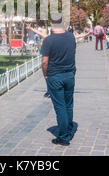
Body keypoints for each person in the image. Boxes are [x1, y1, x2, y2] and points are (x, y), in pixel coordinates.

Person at [41, 15, 90, 146]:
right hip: (69, 75)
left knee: (60, 106)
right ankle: (68, 129)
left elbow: (45, 62)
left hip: (55, 76)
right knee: (68, 104)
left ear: (51, 23)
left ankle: (64, 137)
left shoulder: (49, 40)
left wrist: (45, 75)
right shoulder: (70, 37)